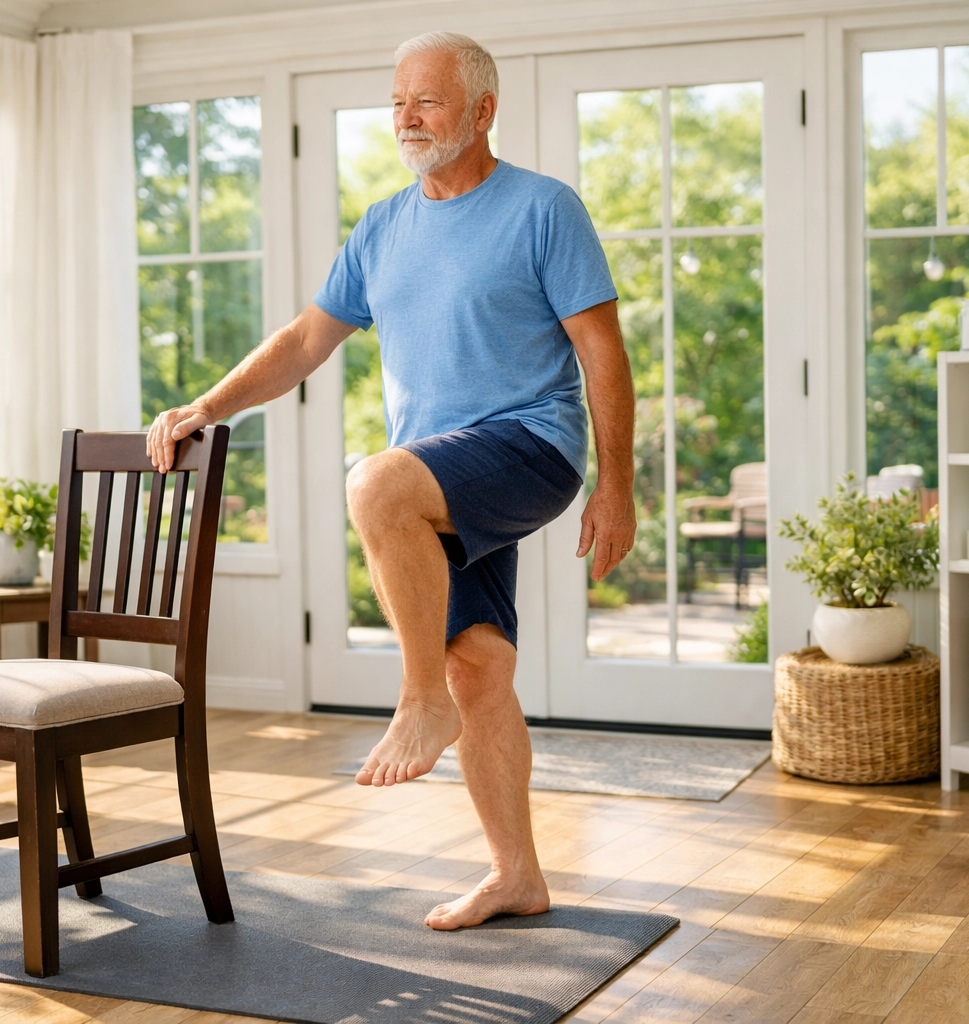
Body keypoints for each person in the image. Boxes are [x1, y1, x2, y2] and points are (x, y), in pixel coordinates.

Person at [146, 30, 636, 930]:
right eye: (398, 101)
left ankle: (418, 703)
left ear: (482, 111)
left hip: (532, 443)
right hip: (441, 471)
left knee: (375, 486)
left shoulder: (542, 209)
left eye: (430, 100)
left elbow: (600, 349)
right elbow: (302, 342)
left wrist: (618, 485)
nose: (408, 118)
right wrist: (206, 407)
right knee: (480, 667)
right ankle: (517, 874)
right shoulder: (382, 226)